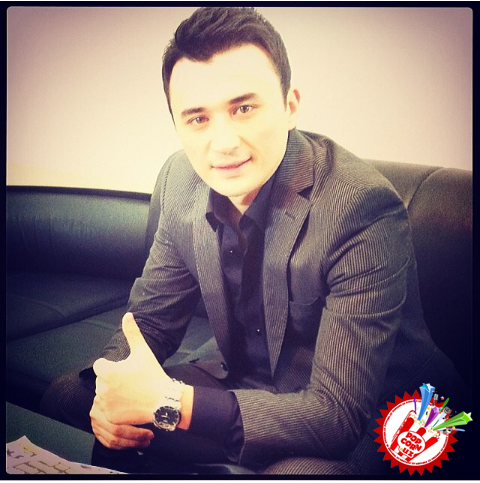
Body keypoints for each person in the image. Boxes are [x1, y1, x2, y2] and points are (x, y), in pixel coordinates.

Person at [40, 6, 465, 475]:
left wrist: (170, 403)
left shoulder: (360, 207)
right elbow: (150, 323)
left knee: (295, 476)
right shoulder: (181, 181)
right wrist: (113, 390)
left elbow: (338, 415)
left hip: (388, 408)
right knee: (73, 396)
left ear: (290, 106)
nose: (223, 142)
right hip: (247, 384)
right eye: (197, 118)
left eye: (243, 108)